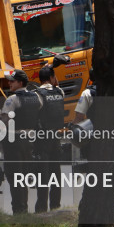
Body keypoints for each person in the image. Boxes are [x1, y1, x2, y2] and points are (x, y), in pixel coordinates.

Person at [1, 69, 41, 214]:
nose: (9, 83)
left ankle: (19, 209)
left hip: (15, 142)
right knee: (24, 176)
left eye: (12, 81)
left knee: (14, 176)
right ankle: (24, 208)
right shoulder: (36, 97)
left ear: (21, 82)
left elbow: (3, 121)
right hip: (30, 141)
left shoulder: (12, 99)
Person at [34, 64, 65, 213]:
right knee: (56, 174)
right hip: (57, 138)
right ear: (52, 78)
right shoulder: (60, 92)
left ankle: (41, 208)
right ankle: (55, 206)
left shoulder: (37, 94)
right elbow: (56, 85)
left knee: (43, 175)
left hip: (43, 140)